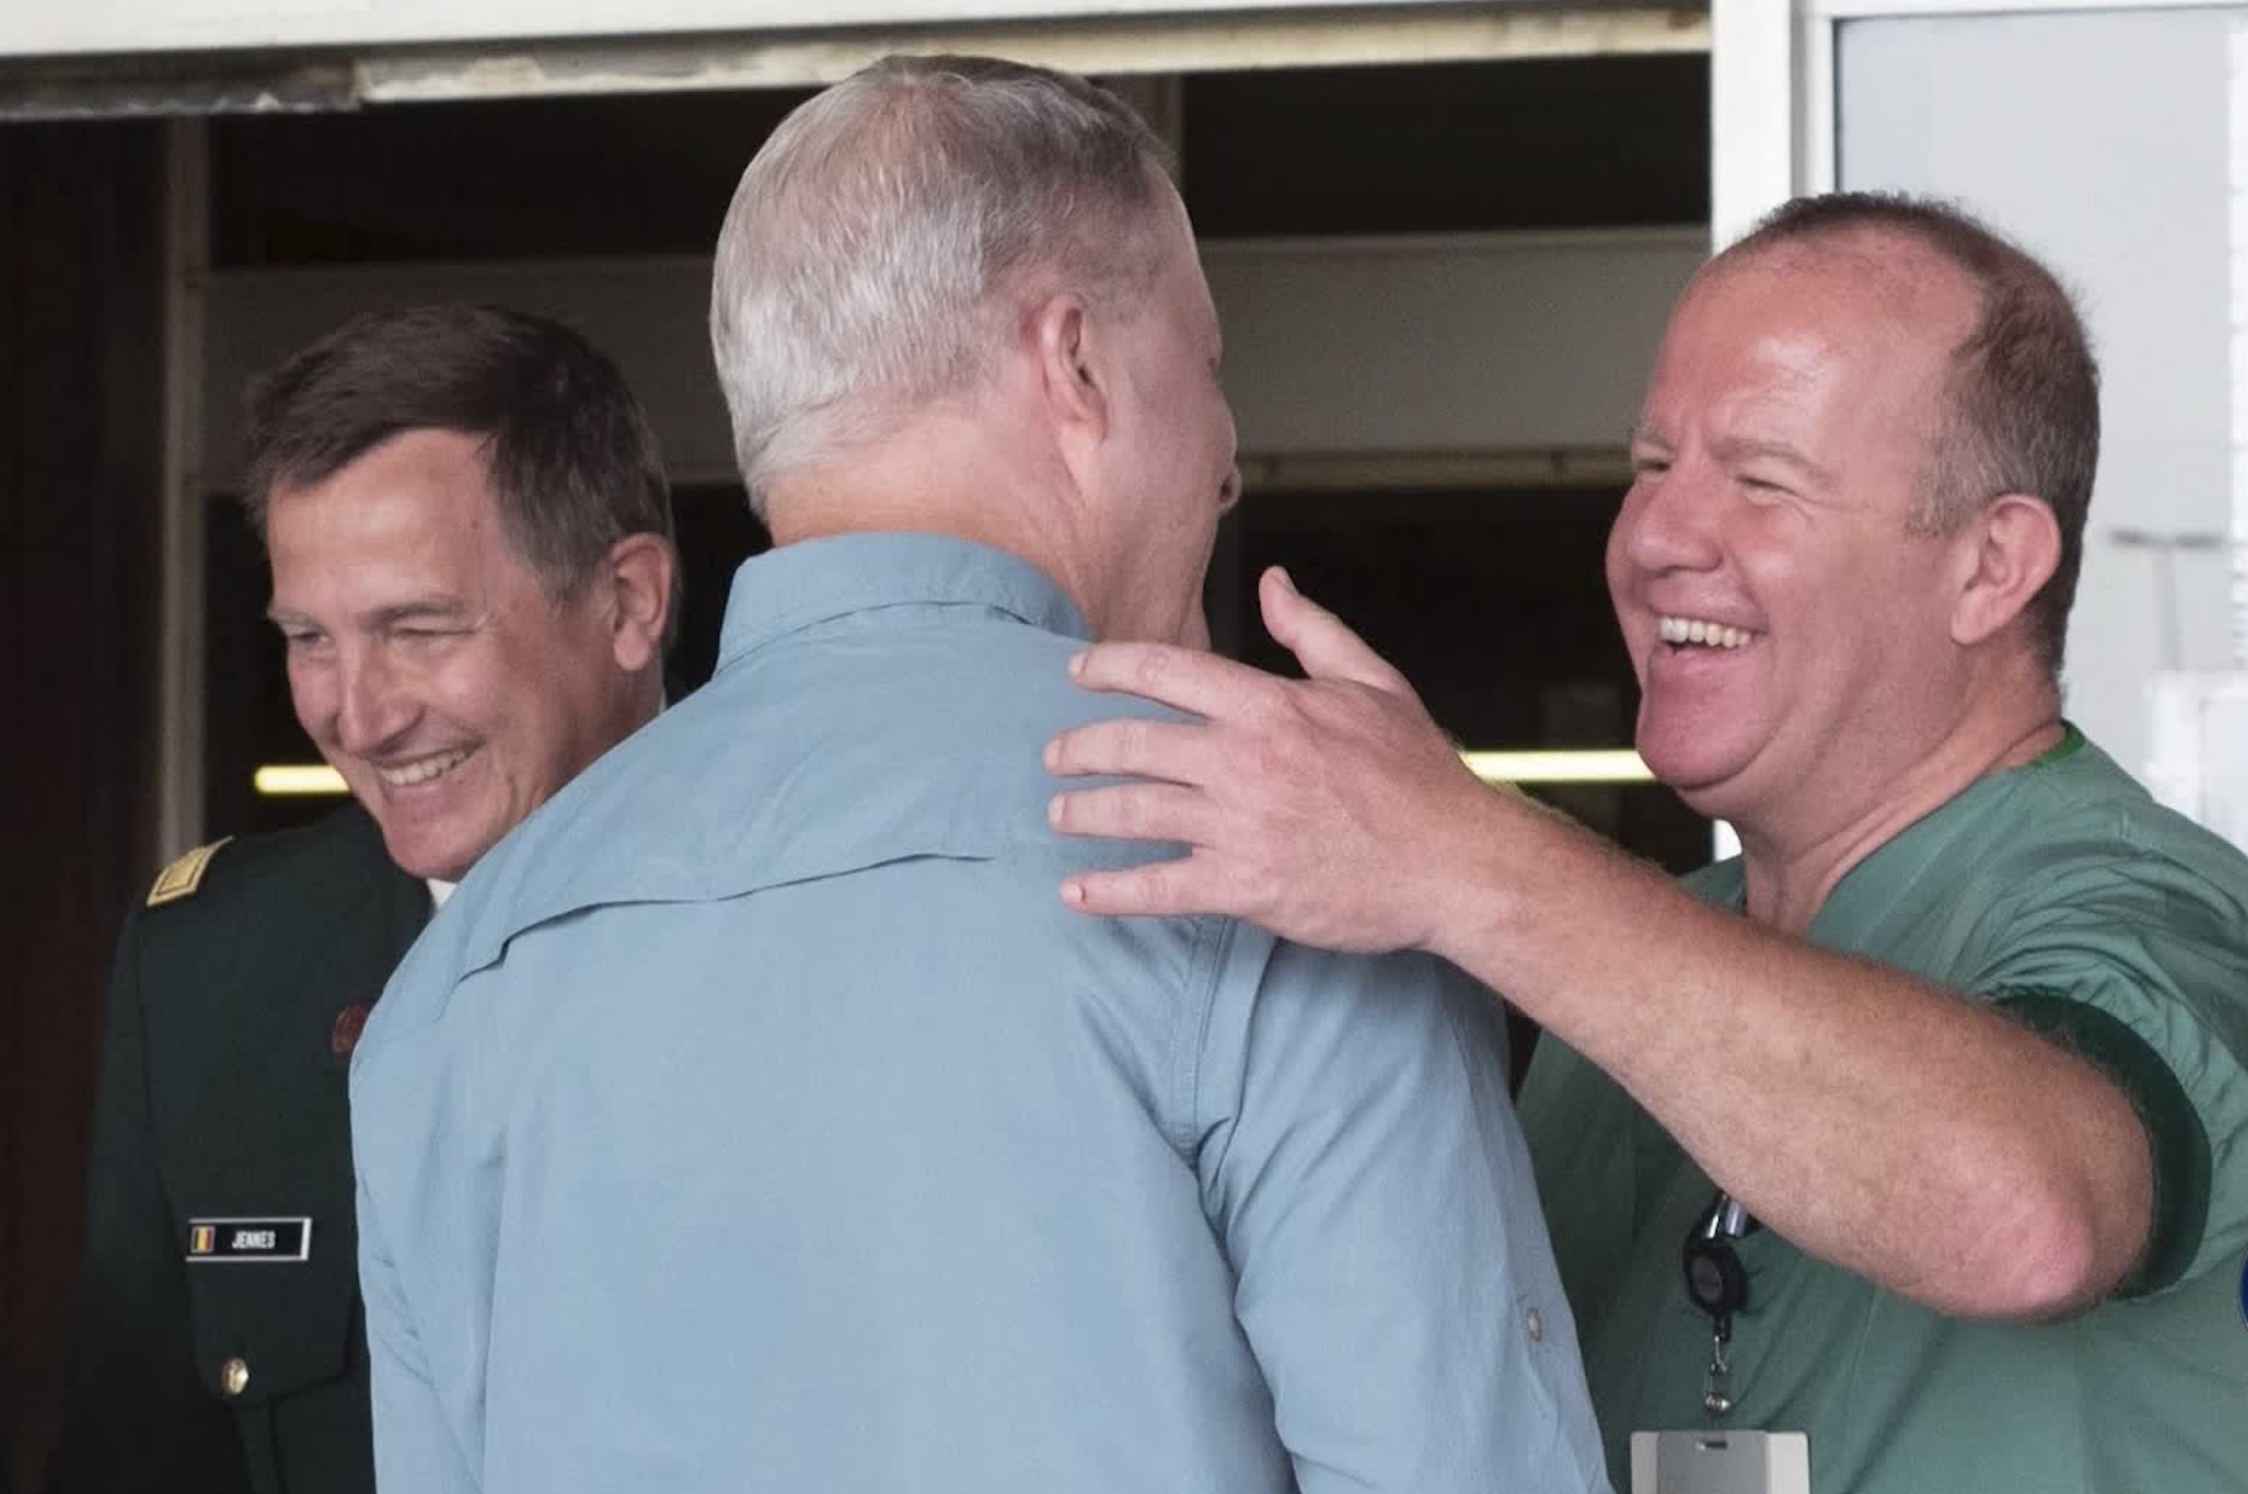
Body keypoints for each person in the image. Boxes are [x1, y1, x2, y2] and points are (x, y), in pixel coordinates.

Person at [349, 54, 1608, 1494]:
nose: (1225, 459)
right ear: (1074, 363)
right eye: (1206, 368)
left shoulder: (463, 984)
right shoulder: (1285, 870)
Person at [1045, 192, 2248, 1493]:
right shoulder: (1623, 986)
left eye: (1762, 479)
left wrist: (1459, 853)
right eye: (1652, 464)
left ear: (1989, 564)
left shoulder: (2146, 901)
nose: (1658, 537)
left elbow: (2029, 1219)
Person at [45, 303, 677, 1494]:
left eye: (418, 629)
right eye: (309, 640)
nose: (359, 713)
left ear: (628, 603)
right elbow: (140, 1451)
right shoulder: (215, 964)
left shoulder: (830, 922)